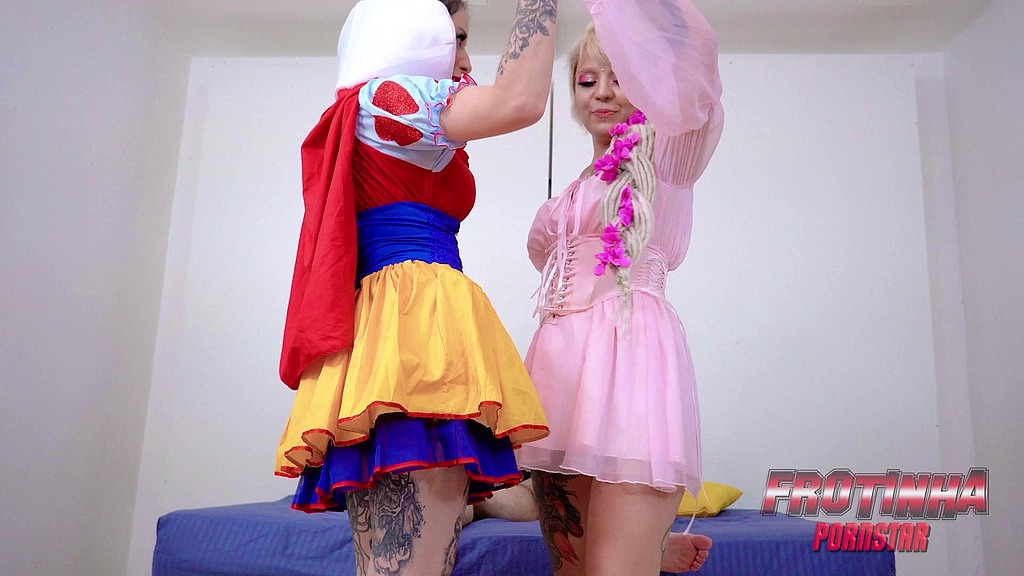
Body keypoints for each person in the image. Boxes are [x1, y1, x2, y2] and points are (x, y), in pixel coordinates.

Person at [274, 1, 558, 574]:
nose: (464, 58)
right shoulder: (389, 97)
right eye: (456, 39)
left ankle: (483, 506)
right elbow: (519, 101)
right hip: (412, 321)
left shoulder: (384, 110)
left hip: (404, 318)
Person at [516, 1, 725, 574]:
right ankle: (652, 548)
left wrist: (620, 12)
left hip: (631, 368)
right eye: (587, 80)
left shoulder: (667, 154)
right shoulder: (566, 197)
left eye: (622, 75)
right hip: (559, 377)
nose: (603, 92)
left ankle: (646, 547)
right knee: (573, 568)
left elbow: (696, 59)